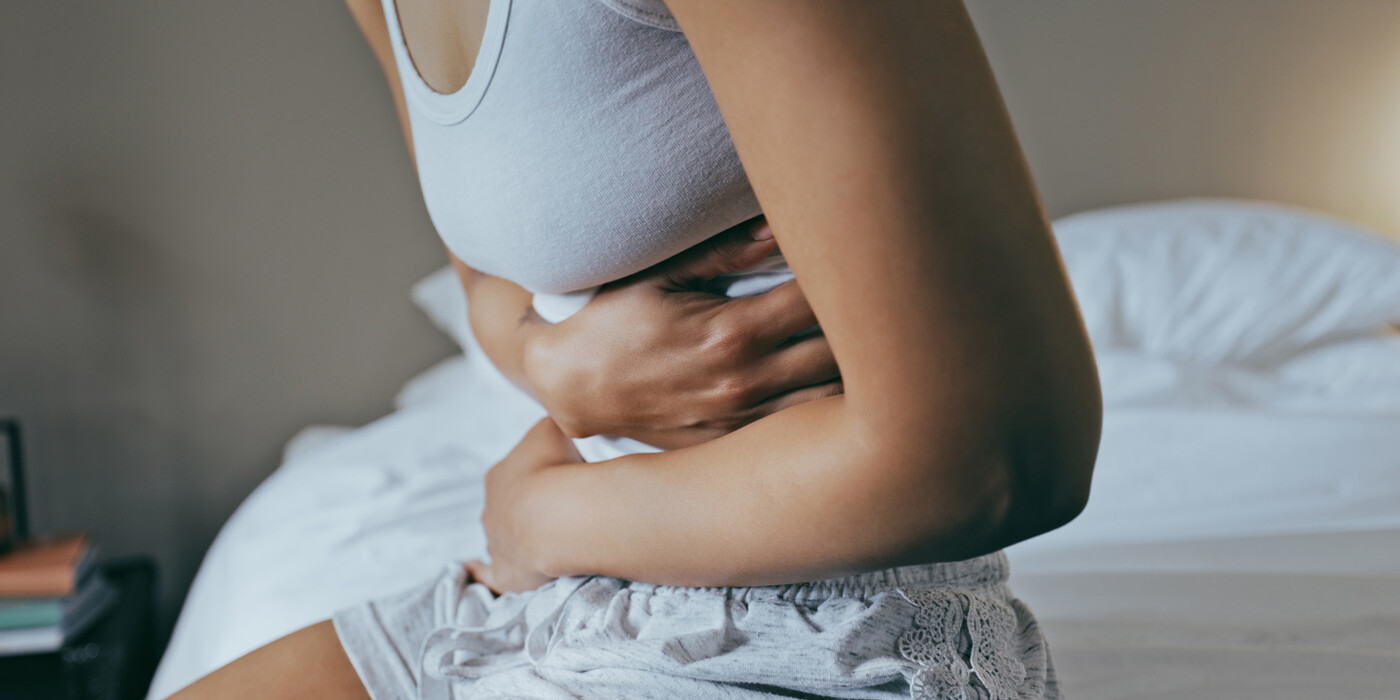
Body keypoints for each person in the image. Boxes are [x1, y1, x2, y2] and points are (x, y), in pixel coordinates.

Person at [171, 0, 1102, 697]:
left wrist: (547, 518)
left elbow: (1006, 456)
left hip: (829, 625)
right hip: (574, 595)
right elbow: (489, 278)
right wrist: (554, 368)